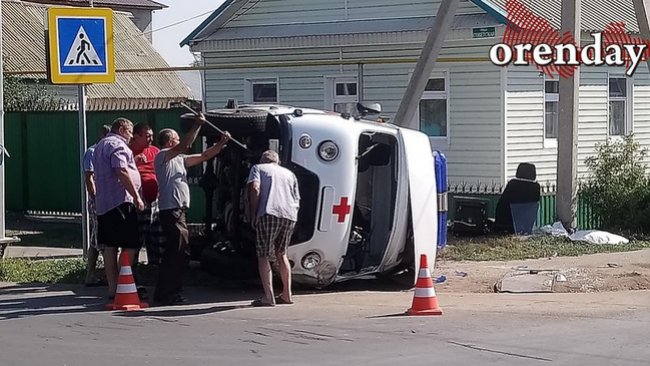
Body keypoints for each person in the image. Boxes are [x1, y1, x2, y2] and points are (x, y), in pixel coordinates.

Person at [153, 114, 230, 306]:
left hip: (179, 211)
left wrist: (221, 144)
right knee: (177, 252)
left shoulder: (179, 159)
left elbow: (204, 156)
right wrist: (197, 125)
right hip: (171, 210)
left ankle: (170, 291)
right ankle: (167, 292)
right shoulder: (163, 156)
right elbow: (185, 145)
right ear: (169, 141)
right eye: (176, 138)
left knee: (180, 252)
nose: (179, 140)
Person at [93, 117, 145, 298]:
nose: (131, 136)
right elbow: (121, 170)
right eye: (130, 132)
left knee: (110, 244)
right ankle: (124, 281)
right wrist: (137, 196)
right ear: (122, 129)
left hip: (104, 203)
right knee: (131, 243)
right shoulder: (118, 145)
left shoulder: (100, 145)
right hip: (120, 201)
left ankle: (112, 286)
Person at [248, 150, 300, 307]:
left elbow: (255, 189)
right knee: (282, 253)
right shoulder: (290, 174)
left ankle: (268, 297)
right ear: (277, 161)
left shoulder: (258, 168)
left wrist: (254, 212)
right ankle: (287, 294)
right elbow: (297, 198)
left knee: (263, 255)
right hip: (289, 215)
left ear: (262, 160)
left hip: (269, 212)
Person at [130, 122, 164, 265]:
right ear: (136, 136)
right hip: (138, 201)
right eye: (147, 136)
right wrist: (135, 162)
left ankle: (155, 265)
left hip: (155, 200)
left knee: (156, 236)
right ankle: (132, 268)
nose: (150, 139)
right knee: (137, 236)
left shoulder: (155, 151)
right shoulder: (128, 152)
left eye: (152, 136)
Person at [82, 125, 110, 287]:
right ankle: (92, 274)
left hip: (110, 199)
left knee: (98, 237)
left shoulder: (110, 151)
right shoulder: (93, 152)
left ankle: (96, 274)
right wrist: (95, 198)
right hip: (99, 200)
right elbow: (89, 177)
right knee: (98, 237)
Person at [493, 162, 541, 234]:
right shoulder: (535, 188)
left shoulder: (512, 184)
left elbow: (502, 205)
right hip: (524, 225)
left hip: (505, 222)